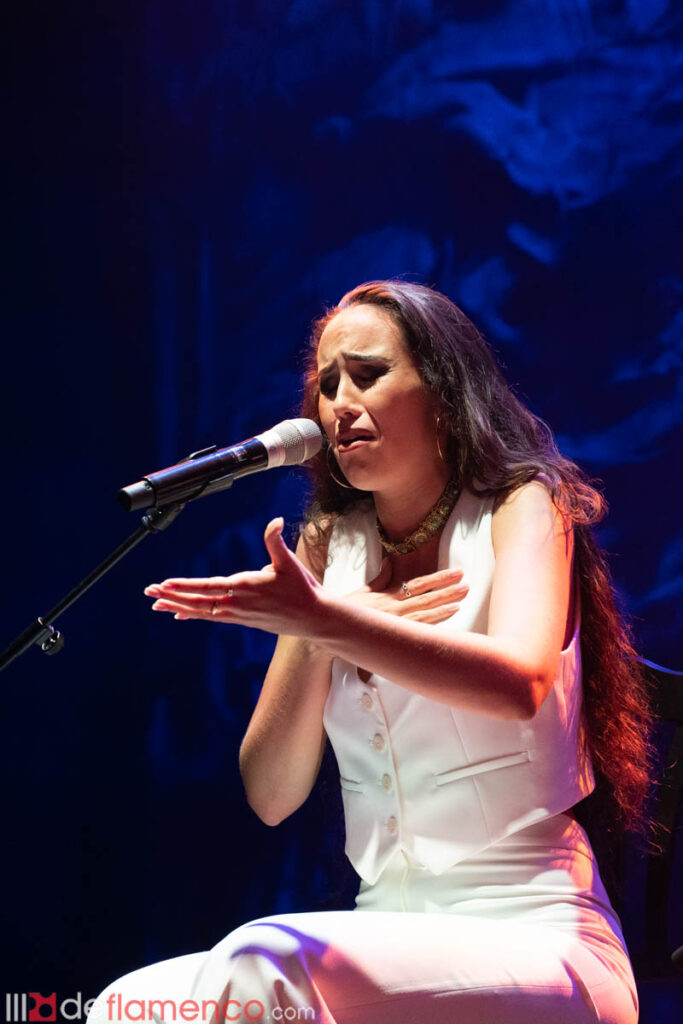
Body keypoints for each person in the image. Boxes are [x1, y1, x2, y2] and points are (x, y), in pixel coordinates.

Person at [88, 280, 653, 1024]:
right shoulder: (328, 548)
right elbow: (271, 792)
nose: (337, 404)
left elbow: (520, 685)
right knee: (128, 1004)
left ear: (444, 391)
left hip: (539, 937)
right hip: (388, 932)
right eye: (324, 385)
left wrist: (330, 620)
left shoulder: (523, 504)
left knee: (265, 964)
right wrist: (323, 624)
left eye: (367, 374)